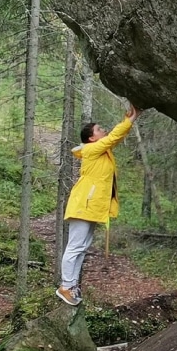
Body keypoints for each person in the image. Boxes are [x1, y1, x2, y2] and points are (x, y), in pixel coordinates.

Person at [56, 103, 139, 306]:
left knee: (82, 248)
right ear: (92, 138)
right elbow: (113, 138)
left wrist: (129, 120)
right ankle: (65, 286)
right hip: (84, 204)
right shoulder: (92, 149)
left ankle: (72, 285)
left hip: (91, 207)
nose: (104, 130)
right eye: (100, 129)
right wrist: (129, 120)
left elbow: (114, 139)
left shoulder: (102, 151)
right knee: (75, 247)